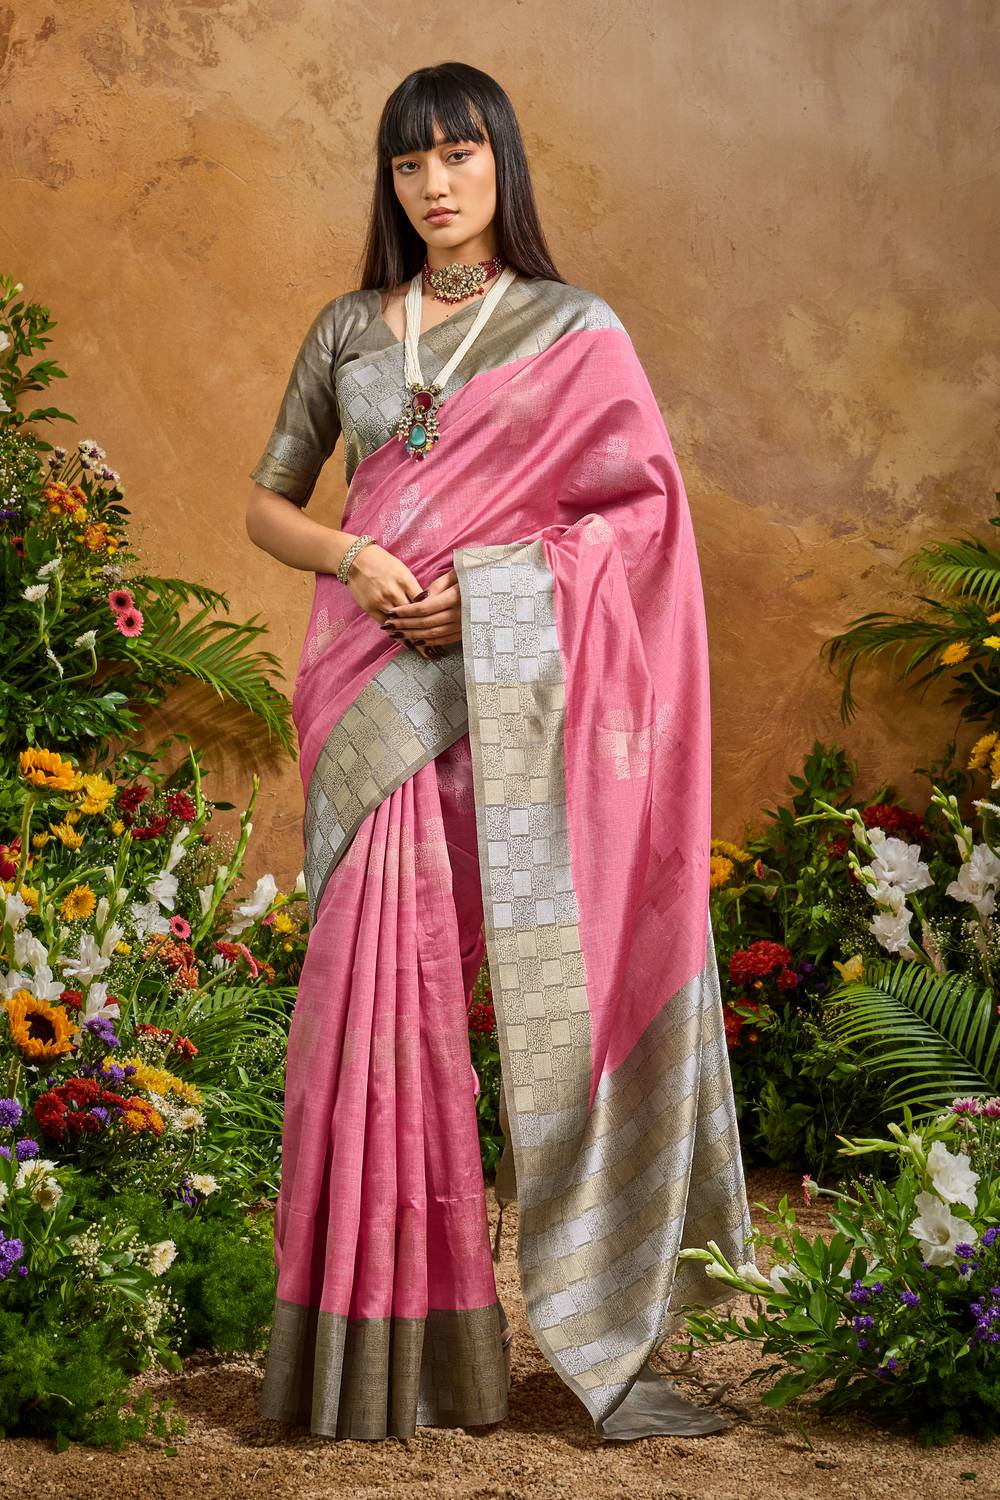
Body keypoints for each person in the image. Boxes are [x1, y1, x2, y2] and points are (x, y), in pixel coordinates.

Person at [245, 60, 753, 1445]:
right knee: (377, 989)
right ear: (390, 180)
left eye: (459, 154)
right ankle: (386, 1349)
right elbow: (268, 502)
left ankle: (579, 1310)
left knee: (510, 977)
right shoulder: (349, 328)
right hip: (368, 692)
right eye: (409, 162)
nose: (435, 183)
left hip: (506, 695)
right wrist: (352, 556)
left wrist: (496, 592)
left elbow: (642, 523)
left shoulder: (574, 328)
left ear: (501, 163)